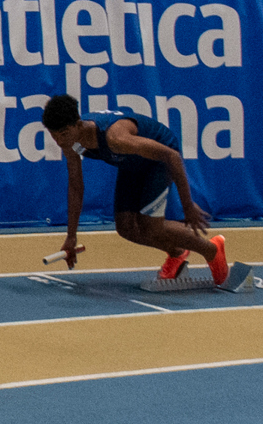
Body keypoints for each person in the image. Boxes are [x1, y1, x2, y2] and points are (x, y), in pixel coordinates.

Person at [40, 93, 229, 285]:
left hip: (158, 160)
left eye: (64, 134)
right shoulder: (72, 142)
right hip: (131, 162)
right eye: (54, 136)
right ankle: (177, 253)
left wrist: (187, 205)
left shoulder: (115, 137)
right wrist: (71, 236)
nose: (60, 141)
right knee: (126, 228)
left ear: (78, 125)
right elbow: (76, 186)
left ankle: (212, 250)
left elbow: (171, 156)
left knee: (151, 226)